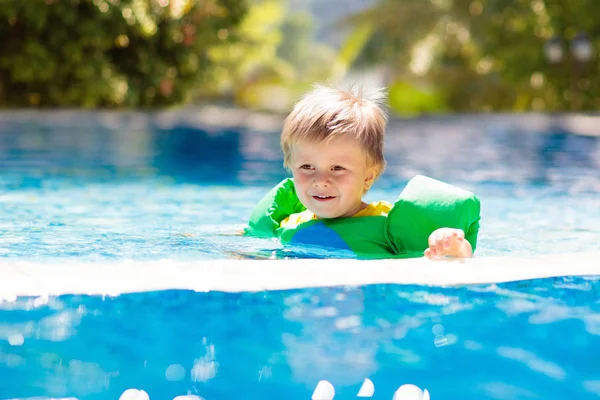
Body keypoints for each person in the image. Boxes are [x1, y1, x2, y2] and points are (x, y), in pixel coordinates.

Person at [245, 84, 480, 259]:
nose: (321, 180)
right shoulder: (287, 224)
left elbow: (460, 259)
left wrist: (452, 246)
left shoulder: (386, 227)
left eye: (337, 168)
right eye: (307, 167)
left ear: (368, 177)